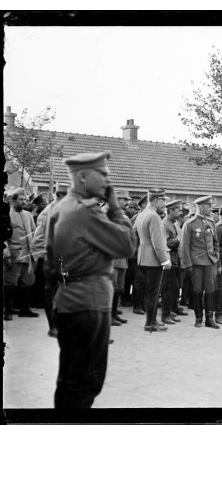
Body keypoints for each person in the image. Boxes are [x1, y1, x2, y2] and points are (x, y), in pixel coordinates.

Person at [47, 151, 136, 408]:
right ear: (83, 177)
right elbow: (127, 245)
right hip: (89, 304)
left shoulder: (62, 208)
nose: (108, 181)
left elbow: (53, 268)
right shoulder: (85, 213)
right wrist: (116, 208)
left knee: (69, 380)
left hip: (68, 303)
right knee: (85, 384)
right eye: (104, 174)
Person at [30, 182, 69, 336]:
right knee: (51, 292)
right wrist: (44, 257)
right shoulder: (47, 213)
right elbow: (37, 240)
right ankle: (52, 326)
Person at [134, 188, 172, 332]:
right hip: (153, 259)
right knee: (153, 293)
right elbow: (157, 241)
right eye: (162, 200)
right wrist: (165, 260)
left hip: (143, 257)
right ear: (155, 200)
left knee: (149, 292)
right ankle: (150, 323)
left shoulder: (142, 214)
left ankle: (151, 320)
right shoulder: (154, 216)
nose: (164, 203)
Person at [180, 195, 220, 329]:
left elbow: (215, 242)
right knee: (197, 290)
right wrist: (187, 264)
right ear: (201, 207)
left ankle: (209, 319)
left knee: (210, 290)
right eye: (208, 206)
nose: (211, 208)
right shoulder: (189, 224)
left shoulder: (211, 222)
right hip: (196, 263)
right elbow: (184, 246)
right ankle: (198, 318)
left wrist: (216, 254)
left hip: (210, 262)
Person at [4, 188, 37, 320]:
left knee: (28, 282)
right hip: (13, 254)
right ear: (13, 200)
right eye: (21, 199)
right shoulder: (6, 215)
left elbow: (34, 233)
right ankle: (7, 310)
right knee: (10, 283)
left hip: (27, 255)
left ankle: (24, 309)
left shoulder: (28, 215)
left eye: (25, 199)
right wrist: (6, 255)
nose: (24, 202)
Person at [160, 199, 184, 325]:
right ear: (170, 211)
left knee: (170, 288)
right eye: (178, 209)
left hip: (174, 259)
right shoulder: (164, 224)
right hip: (168, 260)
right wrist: (178, 240)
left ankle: (167, 312)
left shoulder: (173, 224)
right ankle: (165, 314)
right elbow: (164, 244)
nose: (180, 212)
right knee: (172, 288)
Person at [110, 190, 132, 327]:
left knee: (119, 288)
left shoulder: (124, 216)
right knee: (111, 288)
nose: (126, 202)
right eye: (124, 199)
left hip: (122, 257)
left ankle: (114, 313)